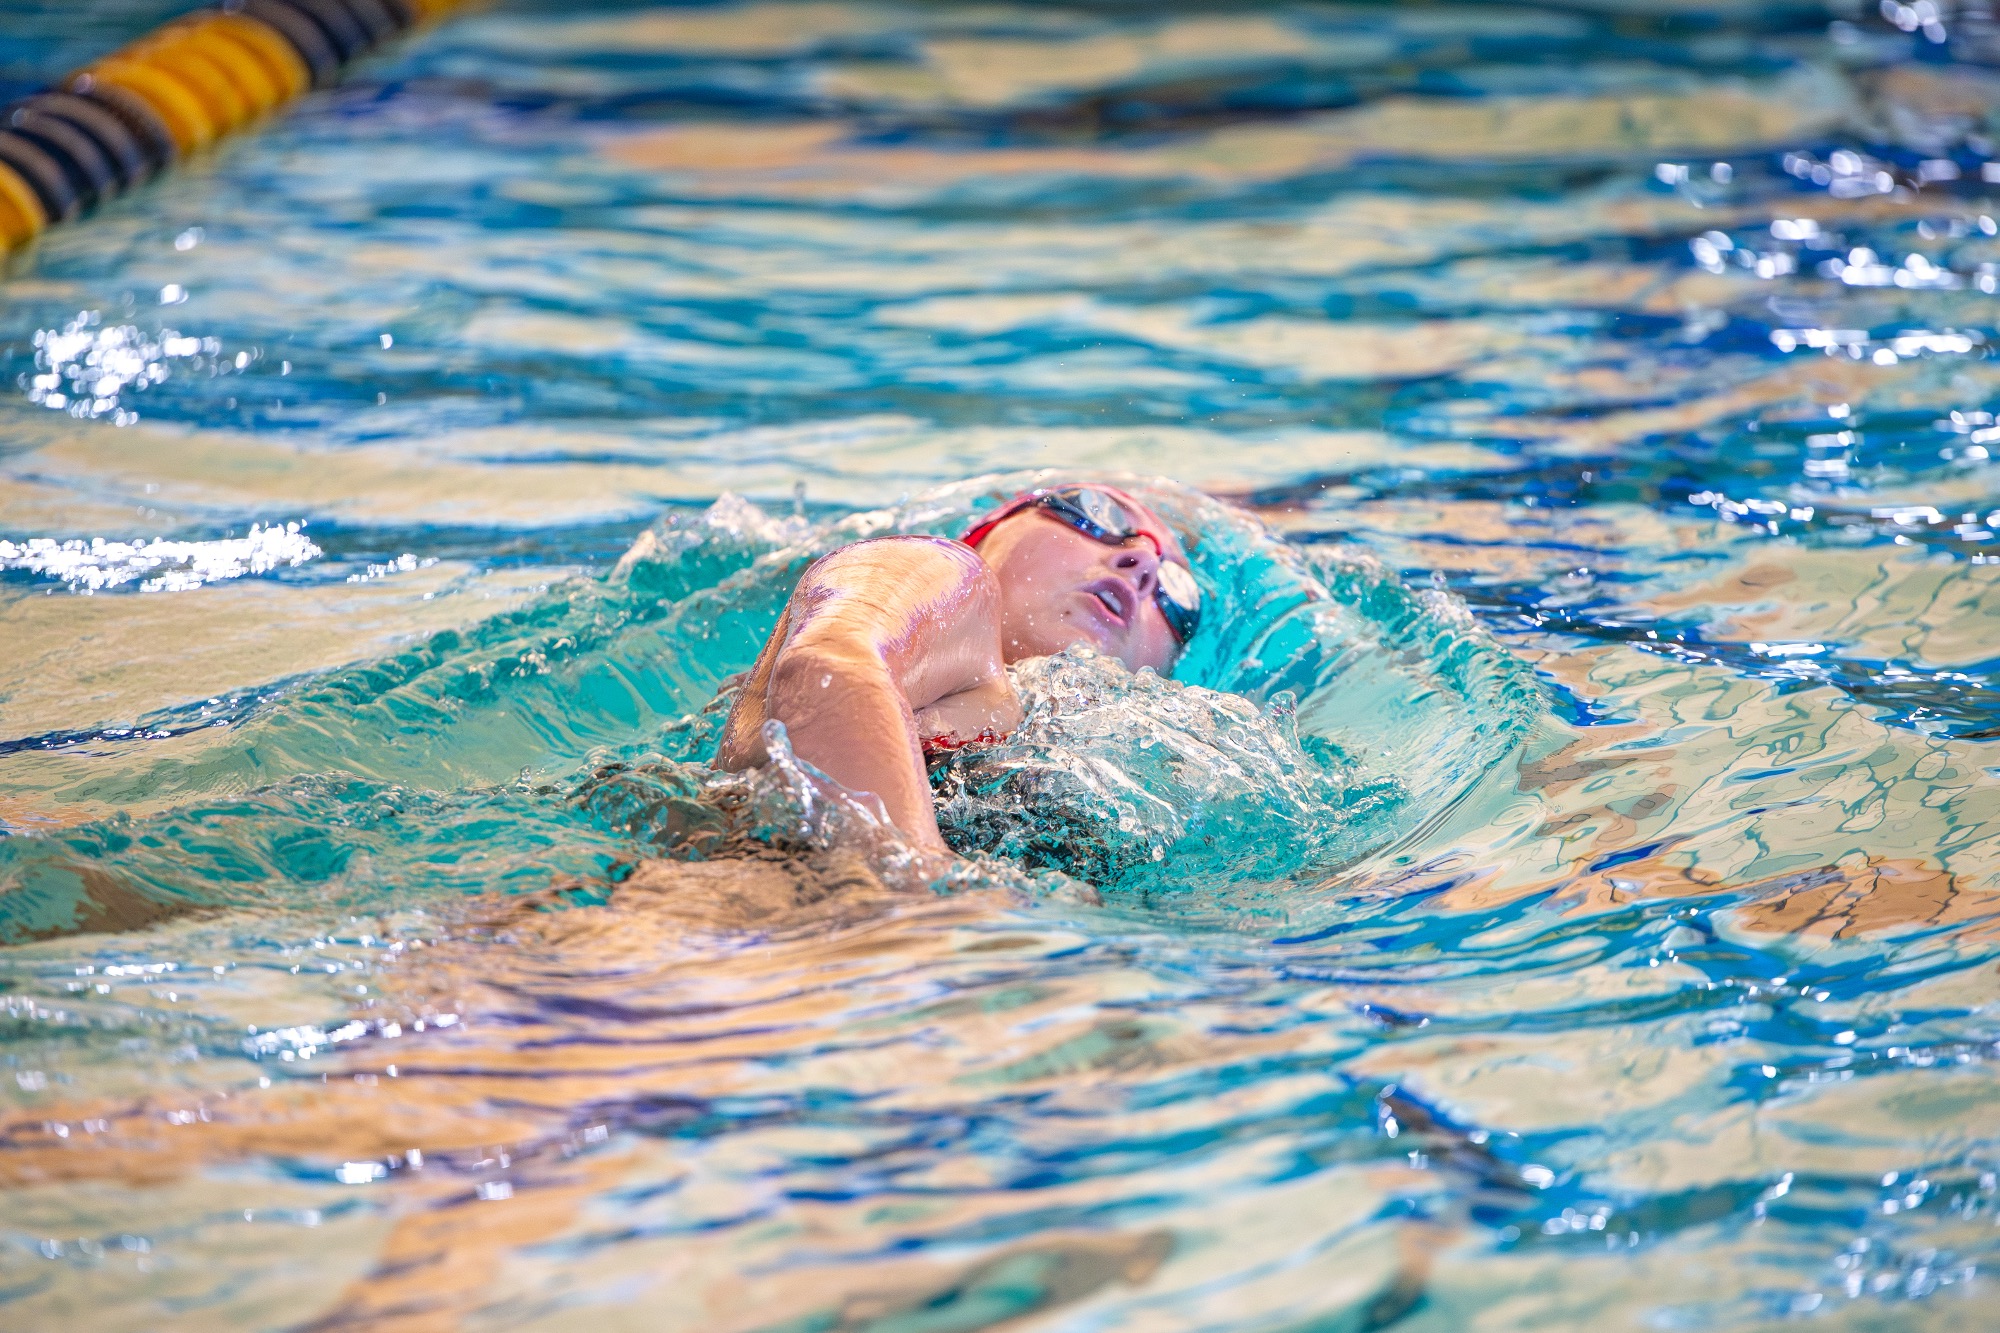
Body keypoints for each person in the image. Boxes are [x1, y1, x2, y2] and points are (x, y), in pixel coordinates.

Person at [718, 484, 1203, 853]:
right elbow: (826, 672)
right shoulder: (944, 573)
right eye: (1093, 510)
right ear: (983, 534)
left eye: (1179, 591)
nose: (1141, 563)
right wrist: (924, 905)